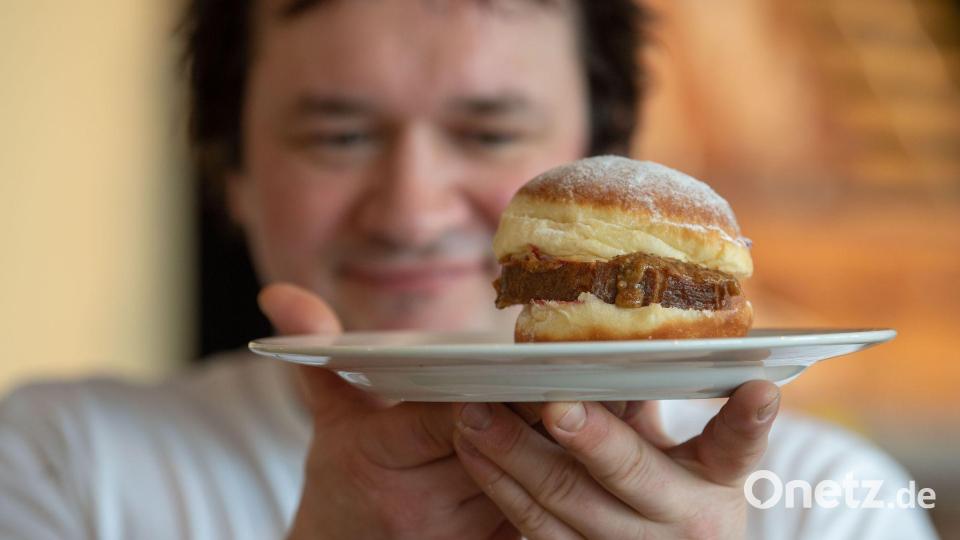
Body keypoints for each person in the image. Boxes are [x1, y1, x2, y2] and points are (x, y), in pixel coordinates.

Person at [0, 0, 939, 538]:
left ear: (601, 147)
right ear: (232, 174)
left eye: (489, 131)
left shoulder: (826, 502)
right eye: (338, 134)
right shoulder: (62, 464)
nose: (411, 209)